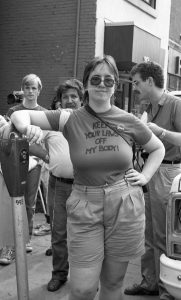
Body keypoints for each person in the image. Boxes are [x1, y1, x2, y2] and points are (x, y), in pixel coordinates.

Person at [5, 55, 165, 300]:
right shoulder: (70, 117)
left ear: (115, 85)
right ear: (87, 83)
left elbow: (157, 148)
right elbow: (21, 116)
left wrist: (145, 176)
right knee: (82, 289)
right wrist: (27, 127)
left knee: (113, 284)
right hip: (84, 204)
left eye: (109, 80)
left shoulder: (128, 120)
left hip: (124, 203)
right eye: (96, 79)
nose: (102, 84)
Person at [124, 61, 181, 300]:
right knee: (148, 231)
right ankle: (150, 282)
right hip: (151, 170)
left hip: (167, 171)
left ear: (149, 81)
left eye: (137, 82)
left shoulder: (175, 104)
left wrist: (161, 132)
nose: (134, 87)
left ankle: (165, 287)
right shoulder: (148, 106)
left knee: (163, 233)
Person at [0, 74, 47, 264]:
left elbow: (45, 141)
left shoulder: (44, 113)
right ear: (22, 89)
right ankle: (10, 242)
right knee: (10, 201)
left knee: (29, 202)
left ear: (39, 90)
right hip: (13, 162)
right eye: (27, 87)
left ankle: (25, 237)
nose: (30, 91)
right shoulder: (13, 111)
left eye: (33, 88)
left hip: (34, 161)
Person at [42, 79, 84, 292]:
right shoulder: (51, 123)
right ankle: (59, 274)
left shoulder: (88, 122)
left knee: (85, 234)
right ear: (59, 102)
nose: (69, 100)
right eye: (65, 97)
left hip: (85, 187)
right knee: (59, 234)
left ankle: (84, 277)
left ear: (81, 99)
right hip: (58, 186)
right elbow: (32, 140)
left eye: (74, 96)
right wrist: (46, 156)